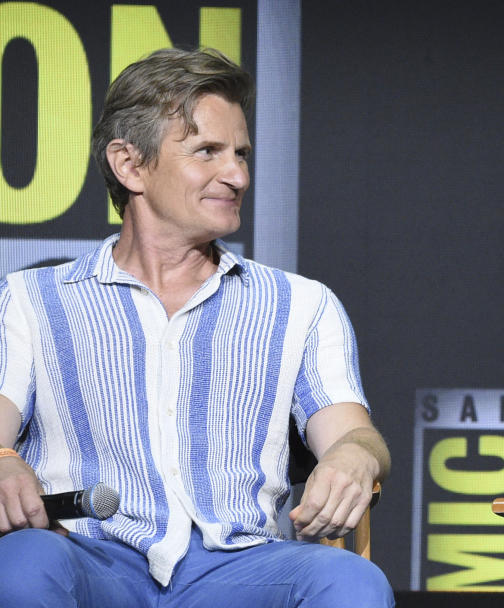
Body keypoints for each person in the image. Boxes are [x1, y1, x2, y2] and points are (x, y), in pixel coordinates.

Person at [0, 47, 393, 607]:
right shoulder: (30, 300)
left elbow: (352, 432)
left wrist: (357, 455)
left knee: (351, 580)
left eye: (241, 154)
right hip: (90, 560)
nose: (236, 175)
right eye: (207, 151)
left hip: (244, 567)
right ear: (129, 164)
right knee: (22, 562)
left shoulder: (302, 304)